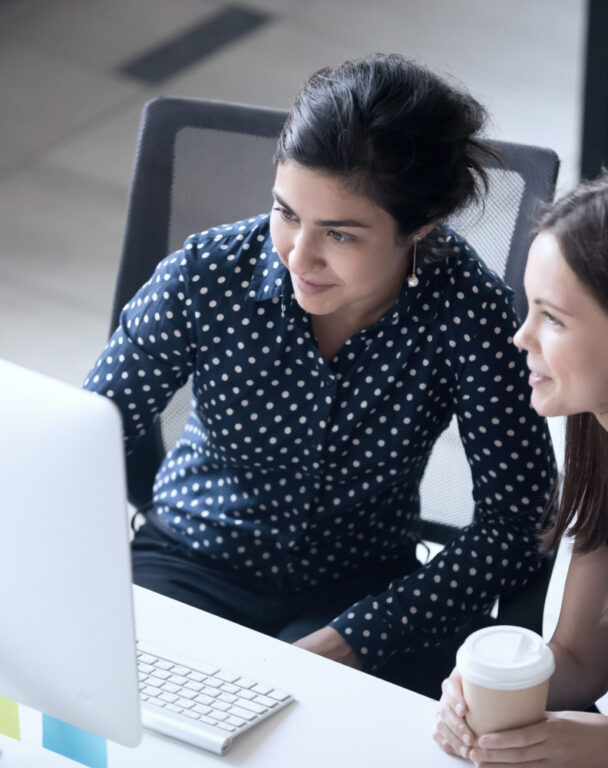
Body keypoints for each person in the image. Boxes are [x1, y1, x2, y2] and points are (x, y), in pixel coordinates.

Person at [83, 53, 556, 696]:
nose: (299, 257)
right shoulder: (207, 274)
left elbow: (519, 520)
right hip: (190, 560)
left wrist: (363, 634)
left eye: (339, 234)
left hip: (361, 590)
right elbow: (83, 443)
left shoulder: (466, 310)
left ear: (420, 228)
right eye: (287, 213)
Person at [434, 172, 608, 766]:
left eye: (552, 318)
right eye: (528, 308)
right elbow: (583, 661)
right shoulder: (598, 440)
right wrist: (480, 697)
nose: (520, 337)